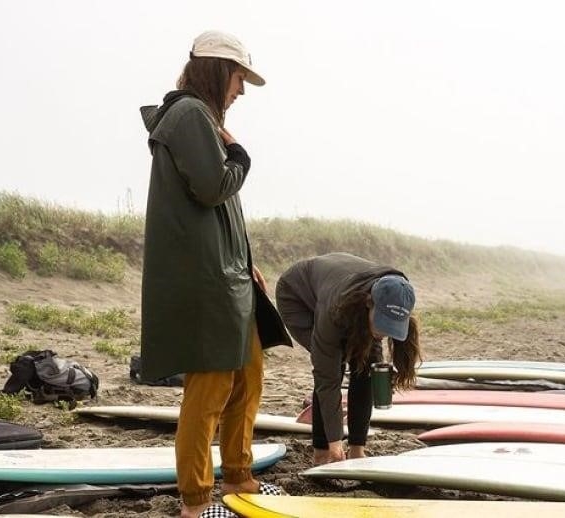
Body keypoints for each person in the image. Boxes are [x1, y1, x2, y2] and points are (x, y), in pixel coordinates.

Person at [139, 30, 291, 518]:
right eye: (238, 78)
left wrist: (246, 261)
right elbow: (212, 187)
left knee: (248, 374)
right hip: (205, 281)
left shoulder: (200, 119)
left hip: (230, 275)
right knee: (207, 391)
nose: (241, 91)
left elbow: (221, 210)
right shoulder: (187, 116)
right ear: (216, 70)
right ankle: (195, 500)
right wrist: (242, 155)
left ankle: (239, 479)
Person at [275, 253, 422, 465]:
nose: (383, 333)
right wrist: (335, 442)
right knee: (332, 367)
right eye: (381, 324)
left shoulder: (398, 294)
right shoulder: (336, 308)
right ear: (369, 304)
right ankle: (321, 451)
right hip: (299, 297)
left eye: (391, 327)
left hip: (343, 294)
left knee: (366, 368)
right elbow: (326, 380)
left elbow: (371, 367)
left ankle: (356, 450)